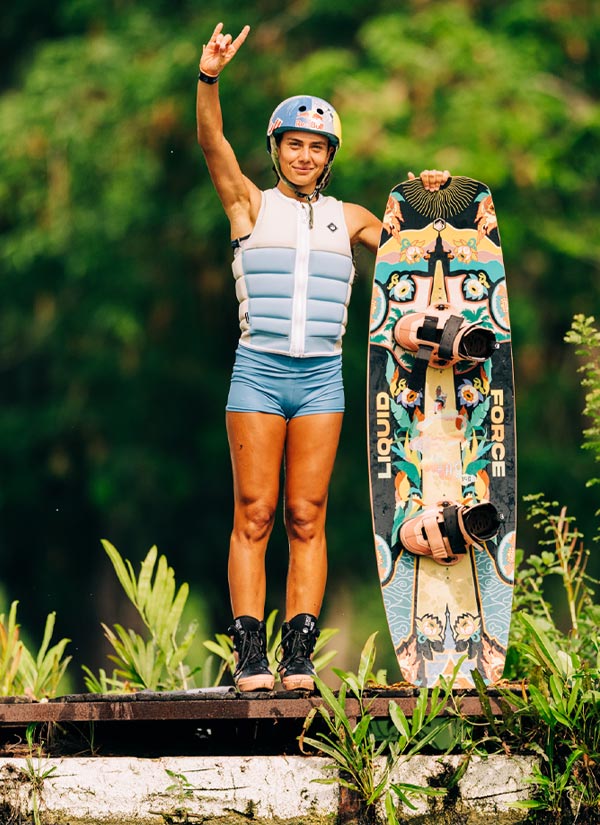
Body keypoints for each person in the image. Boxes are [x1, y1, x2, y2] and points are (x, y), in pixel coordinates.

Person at [196, 22, 450, 692]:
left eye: (315, 147)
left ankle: (299, 654)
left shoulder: (350, 215)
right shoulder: (247, 203)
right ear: (277, 149)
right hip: (258, 371)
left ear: (328, 155)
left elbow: (414, 243)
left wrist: (431, 194)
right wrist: (210, 78)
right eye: (293, 144)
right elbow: (211, 143)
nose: (304, 156)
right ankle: (251, 654)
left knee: (306, 516)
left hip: (320, 380)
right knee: (254, 513)